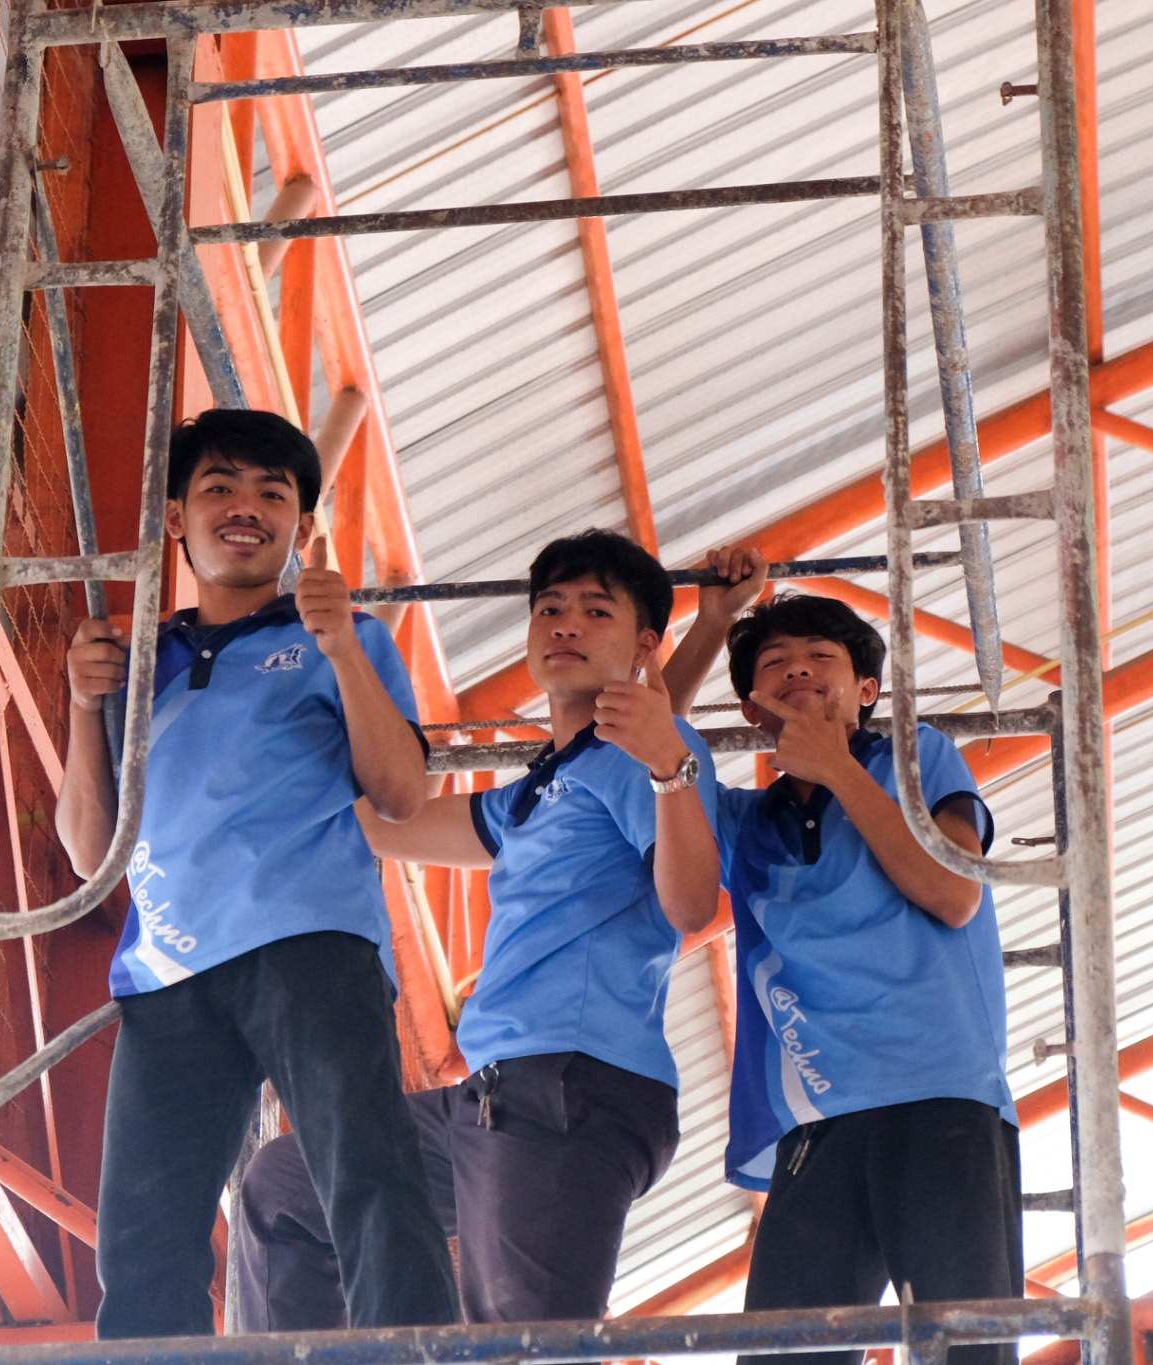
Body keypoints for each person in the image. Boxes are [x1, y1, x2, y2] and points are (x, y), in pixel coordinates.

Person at [233, 529, 721, 1329]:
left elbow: (692, 906)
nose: (564, 622)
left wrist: (672, 765)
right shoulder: (536, 792)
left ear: (643, 646)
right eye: (550, 607)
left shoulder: (642, 758)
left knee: (516, 1334)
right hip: (488, 1095)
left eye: (594, 609)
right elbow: (384, 825)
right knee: (285, 1188)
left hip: (570, 1085)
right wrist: (325, 667)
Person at [54, 407, 459, 1340]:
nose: (246, 507)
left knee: (367, 1175)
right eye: (220, 488)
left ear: (302, 527)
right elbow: (88, 850)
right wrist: (82, 703)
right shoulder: (133, 663)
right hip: (165, 971)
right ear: (175, 516)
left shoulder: (343, 633)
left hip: (307, 944)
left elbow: (398, 792)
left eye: (273, 493)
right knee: (144, 1242)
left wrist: (342, 646)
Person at [664, 552, 1022, 1365]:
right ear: (753, 707)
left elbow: (952, 889)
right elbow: (648, 739)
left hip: (941, 1099)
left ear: (867, 690)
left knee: (968, 1351)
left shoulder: (918, 754)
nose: (797, 669)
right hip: (816, 1119)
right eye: (774, 664)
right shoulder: (741, 820)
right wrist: (715, 620)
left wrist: (834, 767)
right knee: (786, 1354)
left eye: (821, 659)